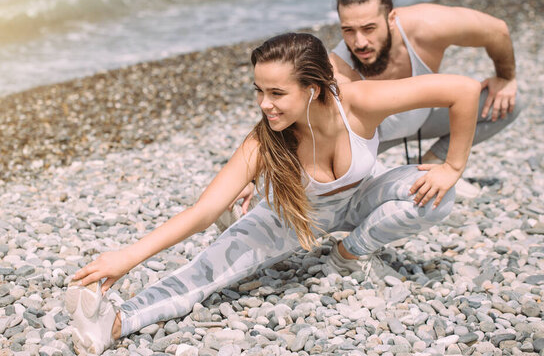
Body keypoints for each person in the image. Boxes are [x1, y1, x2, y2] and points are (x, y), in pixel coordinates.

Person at [65, 32, 480, 355]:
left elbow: (463, 89)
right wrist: (126, 258)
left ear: (314, 89)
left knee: (438, 196)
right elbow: (202, 212)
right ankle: (117, 322)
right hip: (296, 216)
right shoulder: (263, 142)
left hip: (361, 197)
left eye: (277, 93)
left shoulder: (358, 103)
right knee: (207, 272)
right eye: (259, 91)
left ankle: (349, 255)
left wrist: (452, 166)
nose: (264, 104)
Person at [329, 0, 520, 198]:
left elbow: (497, 30)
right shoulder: (337, 66)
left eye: (369, 28)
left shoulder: (427, 26)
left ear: (391, 18)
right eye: (348, 30)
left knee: (510, 102)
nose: (359, 42)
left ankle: (433, 161)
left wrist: (505, 77)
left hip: (424, 118)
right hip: (374, 136)